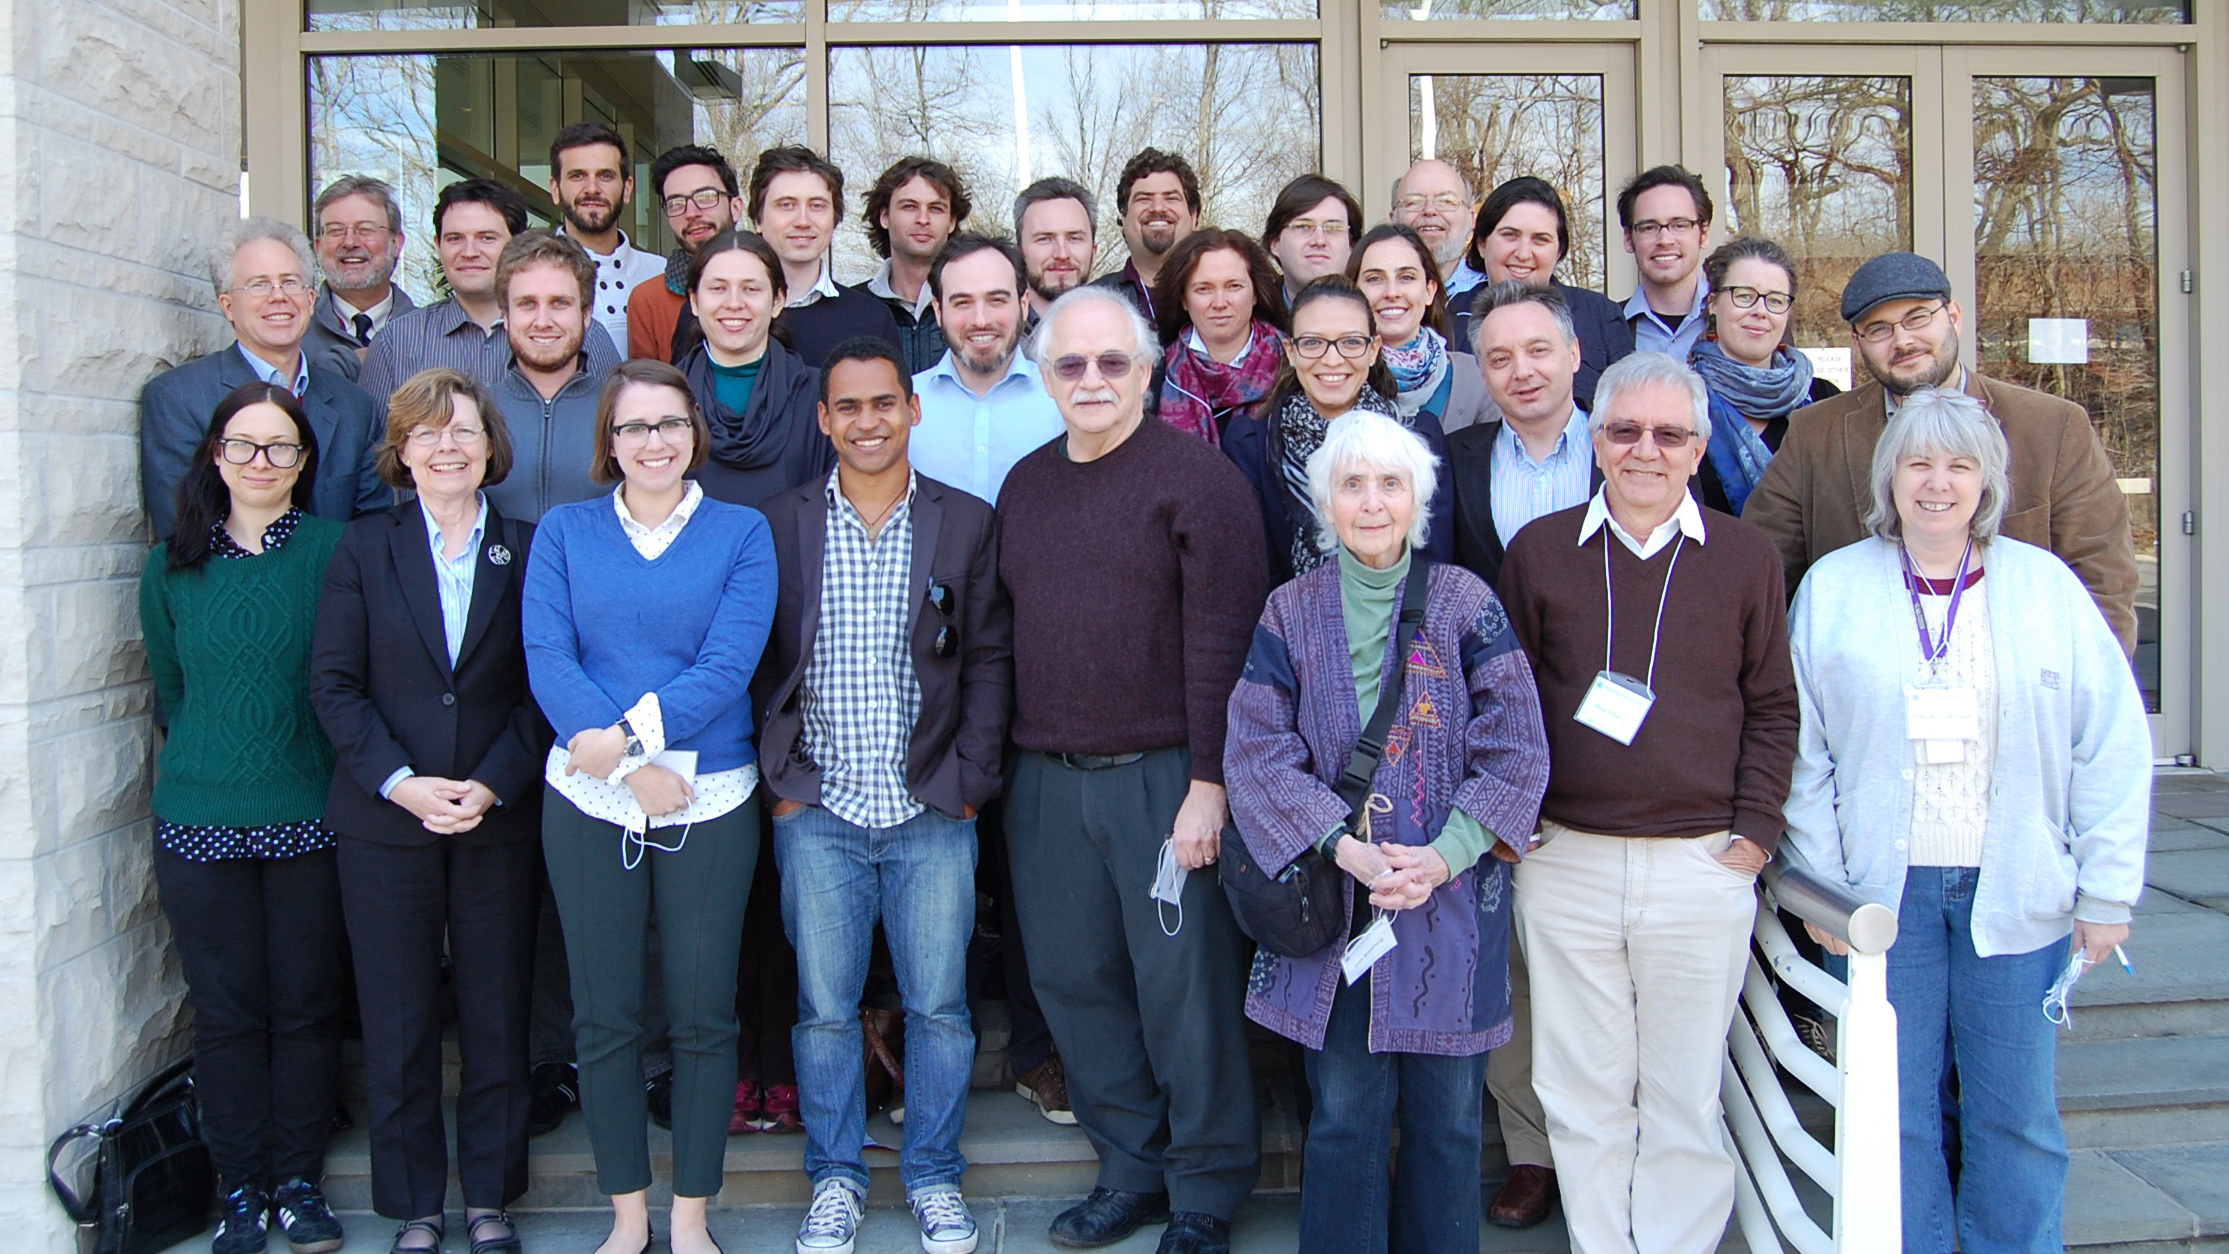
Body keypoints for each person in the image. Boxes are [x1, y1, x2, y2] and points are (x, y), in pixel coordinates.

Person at [1783, 389, 2150, 1254]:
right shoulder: (1835, 589)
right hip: (1882, 898)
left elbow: (2110, 743)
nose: (1937, 483)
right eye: (1918, 462)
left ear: (1987, 482)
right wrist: (1831, 891)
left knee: (2014, 1114)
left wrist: (2106, 889)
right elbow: (1803, 756)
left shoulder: (2044, 588)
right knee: (1893, 1112)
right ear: (1889, 476)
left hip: (2015, 886)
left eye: (1958, 465)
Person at [1225, 410, 1550, 1254]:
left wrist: (1443, 857)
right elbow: (1257, 752)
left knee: (1447, 1118)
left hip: (1451, 905)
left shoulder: (1464, 602)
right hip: (1338, 905)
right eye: (1352, 484)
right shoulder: (1287, 610)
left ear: (1419, 501)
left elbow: (1518, 746)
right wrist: (1345, 847)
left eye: (1390, 484)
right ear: (1322, 503)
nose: (1371, 502)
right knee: (1341, 1113)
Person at [1495, 351, 1799, 1254]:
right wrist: (1514, 826)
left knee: (1681, 1089)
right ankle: (1601, 1243)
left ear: (1699, 448)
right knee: (1580, 1086)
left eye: (1669, 434)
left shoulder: (1745, 558)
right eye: (1624, 430)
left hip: (1699, 863)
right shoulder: (1540, 551)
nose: (1644, 450)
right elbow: (1502, 703)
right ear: (1594, 440)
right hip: (1567, 861)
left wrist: (1753, 833)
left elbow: (1774, 707)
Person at [998, 286, 1270, 1254]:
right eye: (1070, 364)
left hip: (1168, 779)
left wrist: (1212, 782)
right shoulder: (1026, 487)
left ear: (1150, 370)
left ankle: (1204, 1185)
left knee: (1182, 989)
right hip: (1047, 779)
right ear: (1044, 376)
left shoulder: (1197, 483)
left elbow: (1226, 644)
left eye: (1113, 362)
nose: (1092, 380)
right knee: (1075, 982)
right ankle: (1129, 1167)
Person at [755, 337, 1012, 1254]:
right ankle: (834, 1179)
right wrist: (783, 787)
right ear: (823, 420)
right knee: (823, 1011)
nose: (867, 421)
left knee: (939, 1007)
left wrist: (969, 786)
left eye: (882, 404)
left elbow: (988, 661)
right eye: (847, 407)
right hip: (818, 809)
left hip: (930, 810)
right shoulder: (780, 523)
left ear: (913, 410)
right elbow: (759, 664)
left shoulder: (965, 523)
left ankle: (935, 1176)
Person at [523, 358, 778, 1254]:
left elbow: (728, 662)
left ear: (694, 433)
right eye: (633, 427)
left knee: (704, 1016)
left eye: (669, 424)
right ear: (610, 442)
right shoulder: (563, 532)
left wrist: (626, 741)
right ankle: (628, 1218)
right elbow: (548, 654)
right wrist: (629, 768)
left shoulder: (741, 533)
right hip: (590, 799)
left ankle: (692, 1218)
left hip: (708, 796)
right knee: (605, 1017)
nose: (653, 442)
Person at [309, 368, 547, 1254]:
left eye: (464, 432)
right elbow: (333, 686)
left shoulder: (528, 547)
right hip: (385, 822)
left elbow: (543, 690)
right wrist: (400, 781)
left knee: (494, 1010)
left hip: (496, 816)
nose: (447, 446)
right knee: (399, 1017)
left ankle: (488, 1195)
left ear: (491, 448)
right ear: (400, 453)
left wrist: (492, 782)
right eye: (427, 433)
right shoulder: (363, 549)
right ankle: (414, 1202)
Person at [138, 383, 349, 1254]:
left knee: (304, 1006)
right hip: (199, 815)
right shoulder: (172, 563)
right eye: (243, 446)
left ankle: (297, 1183)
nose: (260, 462)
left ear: (303, 464)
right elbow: (171, 689)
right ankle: (240, 1190)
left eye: (280, 448)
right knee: (224, 1012)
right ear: (215, 456)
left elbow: (346, 680)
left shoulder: (338, 552)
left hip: (309, 812)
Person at [1744, 250, 2139, 654]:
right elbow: (1762, 573)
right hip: (1867, 692)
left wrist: (2077, 704)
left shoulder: (2053, 428)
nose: (1903, 340)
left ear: (1953, 315)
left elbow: (2103, 585)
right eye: (1879, 329)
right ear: (1857, 342)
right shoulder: (1815, 433)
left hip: (2014, 692)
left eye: (1918, 317)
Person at [140, 217, 388, 539]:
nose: (278, 296)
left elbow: (372, 535)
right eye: (259, 284)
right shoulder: (178, 399)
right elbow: (184, 534)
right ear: (228, 306)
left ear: (311, 300)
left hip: (336, 588)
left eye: (290, 282)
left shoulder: (355, 406)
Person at [1230, 275, 1453, 581]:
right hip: (1293, 621)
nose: (1332, 359)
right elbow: (1255, 569)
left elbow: (1434, 562)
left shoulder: (1418, 437)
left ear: (1373, 350)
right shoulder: (1250, 443)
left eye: (1350, 342)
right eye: (1312, 343)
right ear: (1291, 351)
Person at [362, 181, 622, 402]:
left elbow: (612, 426)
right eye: (455, 239)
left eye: (486, 237)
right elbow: (376, 453)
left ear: (519, 242)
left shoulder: (583, 334)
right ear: (437, 245)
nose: (469, 252)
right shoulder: (395, 342)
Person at [672, 229, 830, 509]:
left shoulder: (820, 396)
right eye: (718, 288)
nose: (734, 303)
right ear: (695, 301)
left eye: (751, 289)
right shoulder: (666, 398)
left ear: (778, 300)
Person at [1449, 177, 1633, 411]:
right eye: (1510, 235)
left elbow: (1629, 408)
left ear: (1559, 251)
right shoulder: (1449, 318)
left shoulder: (1599, 315)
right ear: (1482, 244)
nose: (1524, 253)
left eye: (1540, 239)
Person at [1687, 237, 1840, 516]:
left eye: (1775, 300)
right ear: (1713, 303)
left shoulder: (1824, 400)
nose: (1760, 311)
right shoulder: (1681, 401)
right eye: (1744, 296)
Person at [911, 234, 1061, 504]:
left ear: (1024, 304)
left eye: (996, 300)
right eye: (963, 303)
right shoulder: (903, 406)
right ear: (937, 310)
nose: (980, 320)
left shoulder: (1063, 401)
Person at [483, 230, 616, 523]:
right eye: (527, 304)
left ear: (586, 314)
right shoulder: (475, 414)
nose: (543, 322)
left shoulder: (621, 413)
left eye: (559, 303)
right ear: (505, 316)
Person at [747, 145, 904, 367]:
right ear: (758, 219)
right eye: (786, 205)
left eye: (817, 205)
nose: (803, 220)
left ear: (834, 219)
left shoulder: (871, 319)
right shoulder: (723, 315)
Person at [1149, 229, 1288, 445]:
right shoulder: (1156, 374)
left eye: (1234, 286)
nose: (1220, 302)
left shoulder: (1293, 365)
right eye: (1204, 289)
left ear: (1255, 294)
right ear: (1183, 299)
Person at [1348, 222, 1489, 433]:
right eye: (1375, 279)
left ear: (1429, 291)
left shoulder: (1475, 377)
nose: (1392, 292)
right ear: (1353, 293)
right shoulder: (1334, 373)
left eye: (1406, 277)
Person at [549, 122, 666, 353]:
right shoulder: (528, 277)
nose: (592, 188)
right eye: (577, 176)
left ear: (627, 189)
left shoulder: (662, 273)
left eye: (605, 176)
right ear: (555, 189)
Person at [628, 144, 745, 364]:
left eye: (706, 197)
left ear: (736, 207)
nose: (692, 213)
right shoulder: (648, 300)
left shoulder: (770, 285)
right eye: (677, 203)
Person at [856, 157, 971, 374]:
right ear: (884, 217)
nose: (923, 219)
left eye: (936, 208)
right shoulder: (854, 309)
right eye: (909, 206)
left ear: (952, 222)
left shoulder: (974, 308)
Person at [304, 175, 414, 382]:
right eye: (336, 230)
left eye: (365, 229)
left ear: (396, 243)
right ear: (318, 246)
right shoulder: (294, 332)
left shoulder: (430, 334)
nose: (350, 242)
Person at [1616, 166, 1715, 361]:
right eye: (1649, 227)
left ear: (1703, 234)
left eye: (1679, 225)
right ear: (1629, 238)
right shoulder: (1606, 326)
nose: (1665, 240)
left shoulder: (1742, 320)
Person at [1093, 148, 1201, 321]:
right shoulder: (1093, 302)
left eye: (1171, 198)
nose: (1158, 208)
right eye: (1144, 199)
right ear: (1124, 215)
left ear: (1194, 216)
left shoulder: (1225, 299)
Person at [1390, 159, 1485, 299]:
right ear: (1394, 219)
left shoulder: (1494, 294)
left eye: (1447, 201)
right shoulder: (1372, 295)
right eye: (1414, 202)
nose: (1430, 210)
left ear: (1471, 220)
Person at [1014, 176, 1099, 331]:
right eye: (1045, 239)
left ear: (1093, 252)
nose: (1061, 254)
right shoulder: (998, 338)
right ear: (1019, 252)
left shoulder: (1120, 335)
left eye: (1074, 238)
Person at [1263, 174, 1360, 301]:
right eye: (1303, 226)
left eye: (1333, 228)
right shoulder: (1247, 315)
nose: (1319, 241)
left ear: (1351, 245)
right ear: (1275, 243)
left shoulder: (1376, 312)